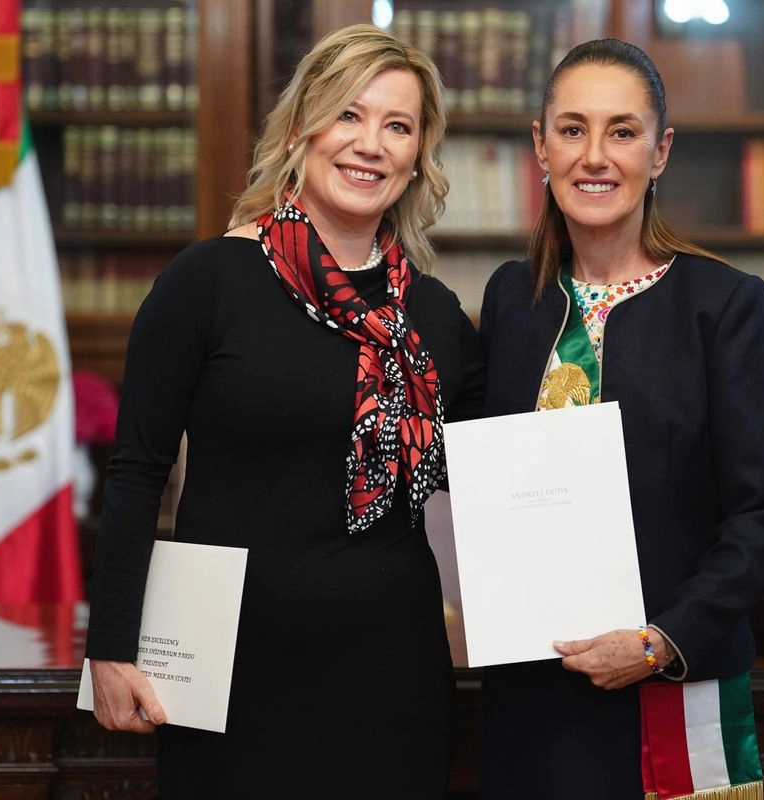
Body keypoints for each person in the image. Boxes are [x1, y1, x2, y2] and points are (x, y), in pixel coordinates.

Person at [83, 23, 484, 799]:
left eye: (397, 126)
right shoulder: (208, 282)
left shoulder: (435, 317)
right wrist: (110, 648)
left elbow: (496, 476)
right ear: (302, 127)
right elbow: (136, 473)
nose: (370, 143)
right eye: (348, 115)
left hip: (392, 679)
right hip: (230, 673)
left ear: (417, 157)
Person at [477, 38, 764, 798]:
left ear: (660, 152)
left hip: (671, 688)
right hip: (531, 699)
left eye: (622, 132)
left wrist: (661, 642)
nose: (595, 156)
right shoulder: (510, 302)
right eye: (572, 129)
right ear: (541, 146)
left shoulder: (725, 305)